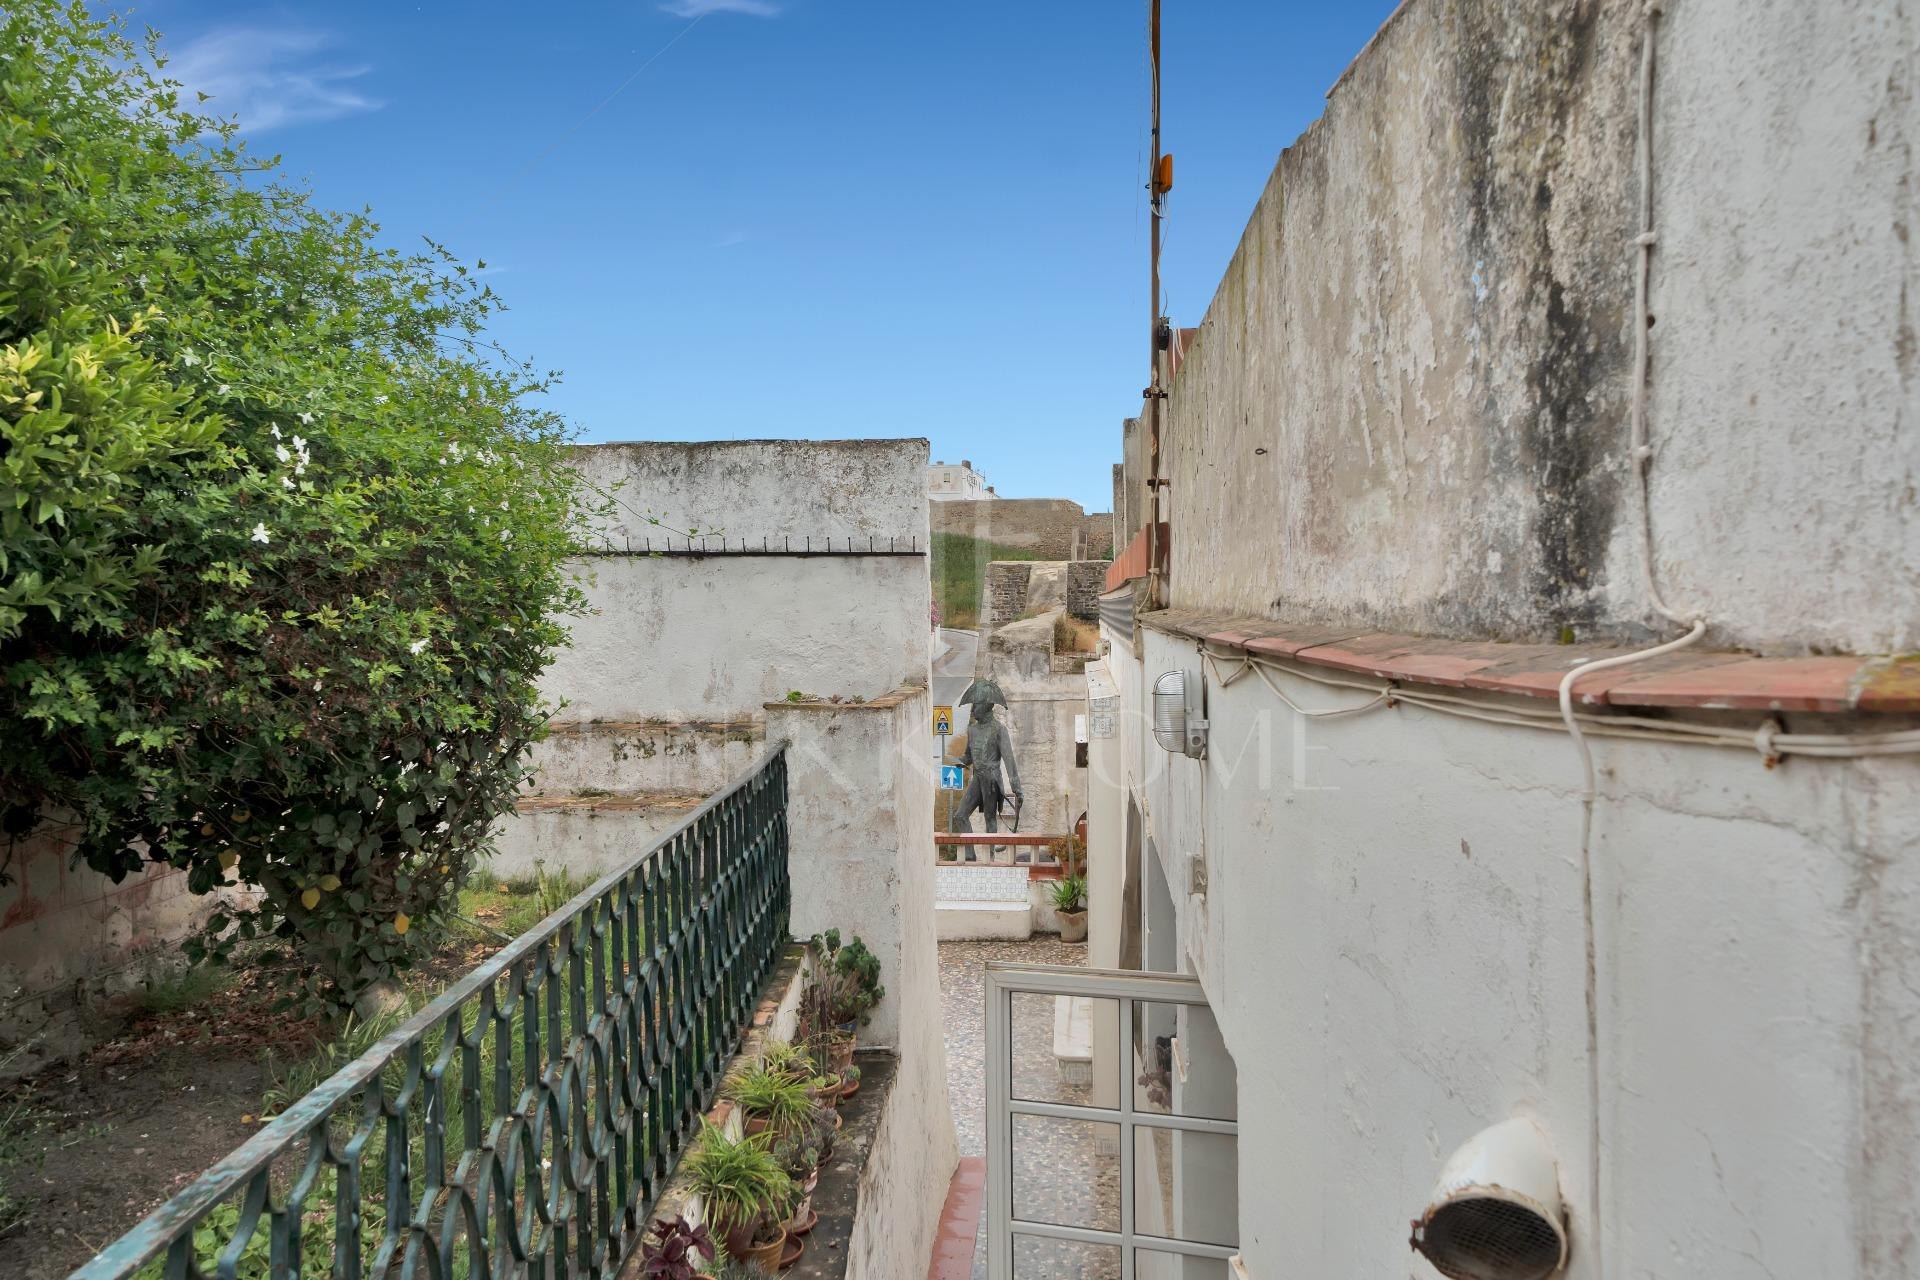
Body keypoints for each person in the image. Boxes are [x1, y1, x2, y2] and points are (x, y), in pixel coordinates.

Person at [947, 677, 1021, 860]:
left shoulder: (999, 730)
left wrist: (1017, 788)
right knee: (960, 815)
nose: (972, 710)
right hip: (978, 777)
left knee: (990, 818)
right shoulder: (972, 730)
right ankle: (971, 856)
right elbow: (969, 756)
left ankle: (990, 859)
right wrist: (958, 761)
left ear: (987, 706)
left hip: (992, 779)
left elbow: (1009, 761)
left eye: (976, 705)